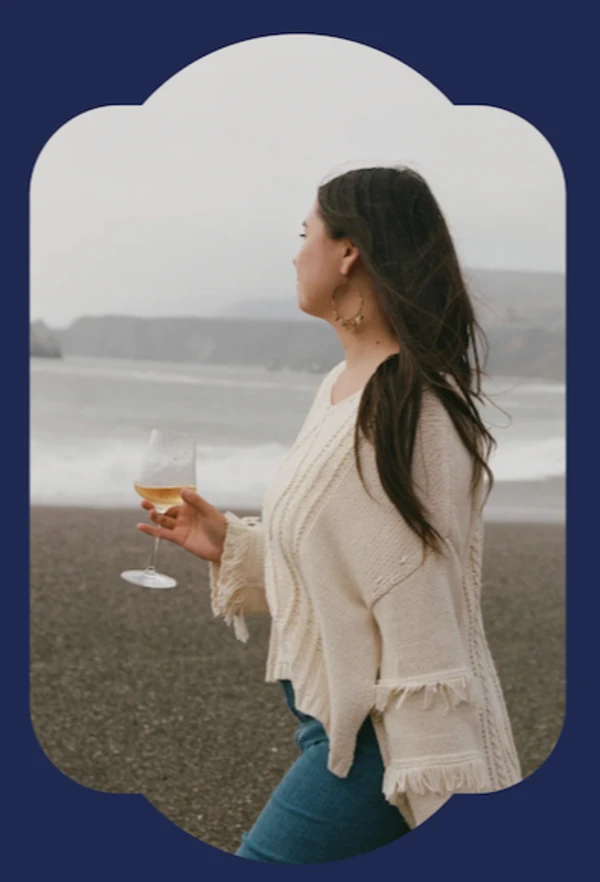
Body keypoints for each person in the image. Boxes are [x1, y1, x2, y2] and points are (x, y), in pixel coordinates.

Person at [137, 166, 522, 864]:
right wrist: (231, 543)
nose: (295, 253)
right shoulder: (342, 388)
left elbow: (426, 624)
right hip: (327, 727)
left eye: (305, 232)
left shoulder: (416, 411)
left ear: (348, 251)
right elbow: (346, 560)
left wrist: (440, 793)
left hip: (381, 751)